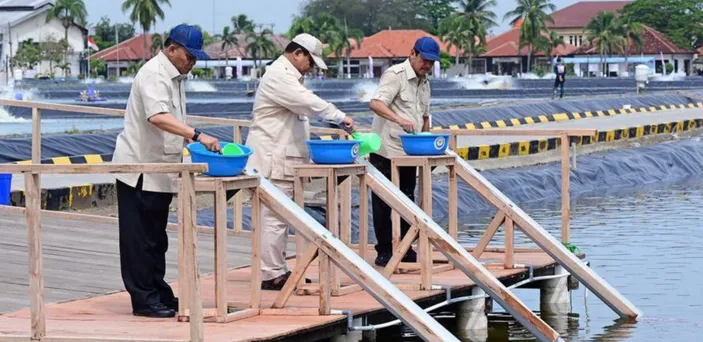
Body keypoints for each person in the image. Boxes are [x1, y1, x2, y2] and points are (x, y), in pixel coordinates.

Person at [112, 24, 221, 318]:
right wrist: (198, 136)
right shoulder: (154, 73)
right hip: (139, 169)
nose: (192, 62)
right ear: (171, 49)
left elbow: (173, 119)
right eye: (189, 55)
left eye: (196, 57)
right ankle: (143, 300)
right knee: (139, 239)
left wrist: (189, 140)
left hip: (162, 169)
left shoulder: (176, 77)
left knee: (157, 239)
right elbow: (158, 117)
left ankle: (158, 291)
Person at [245, 33, 355, 290]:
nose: (312, 67)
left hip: (282, 156)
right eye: (311, 62)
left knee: (280, 218)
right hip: (273, 157)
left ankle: (279, 269)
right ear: (298, 53)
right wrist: (340, 117)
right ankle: (271, 274)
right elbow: (309, 103)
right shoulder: (280, 76)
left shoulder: (289, 76)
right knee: (273, 218)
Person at [368, 37, 438, 266]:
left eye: (431, 63)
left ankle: (406, 247)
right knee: (383, 202)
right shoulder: (395, 75)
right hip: (387, 150)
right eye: (424, 60)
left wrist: (428, 143)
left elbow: (425, 116)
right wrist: (398, 119)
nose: (426, 66)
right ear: (413, 53)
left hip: (410, 152)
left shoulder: (425, 82)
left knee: (408, 200)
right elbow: (376, 103)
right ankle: (384, 250)